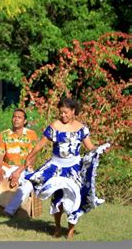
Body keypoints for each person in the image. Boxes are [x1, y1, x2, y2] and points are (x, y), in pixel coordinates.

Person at [24, 98, 110, 239]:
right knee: (57, 197)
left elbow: (90, 147)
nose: (63, 115)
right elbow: (40, 144)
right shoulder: (54, 127)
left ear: (73, 111)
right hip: (56, 167)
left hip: (74, 168)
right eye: (60, 113)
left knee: (73, 199)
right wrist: (29, 157)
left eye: (66, 112)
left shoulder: (81, 128)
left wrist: (100, 149)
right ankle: (57, 228)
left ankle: (70, 230)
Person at [0, 108, 38, 216]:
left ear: (25, 121)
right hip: (6, 166)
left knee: (28, 186)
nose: (16, 119)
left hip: (24, 168)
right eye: (14, 117)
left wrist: (18, 172)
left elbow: (32, 158)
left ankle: (9, 210)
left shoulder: (31, 135)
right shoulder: (4, 135)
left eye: (19, 117)